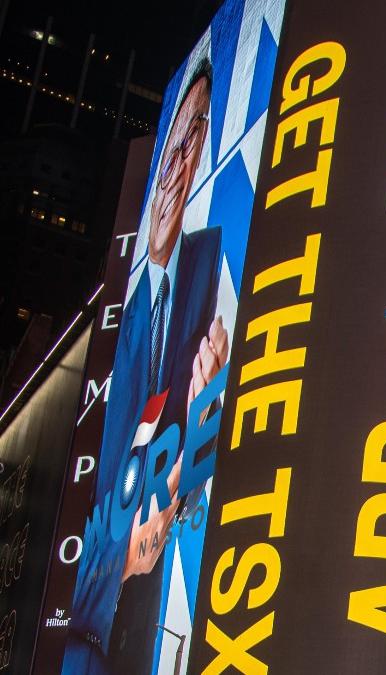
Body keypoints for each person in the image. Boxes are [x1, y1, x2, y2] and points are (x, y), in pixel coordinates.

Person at [64, 58, 228, 674]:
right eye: (175, 139)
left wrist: (200, 424)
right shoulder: (115, 322)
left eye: (195, 138)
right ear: (158, 162)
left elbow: (147, 545)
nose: (180, 159)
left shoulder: (208, 264)